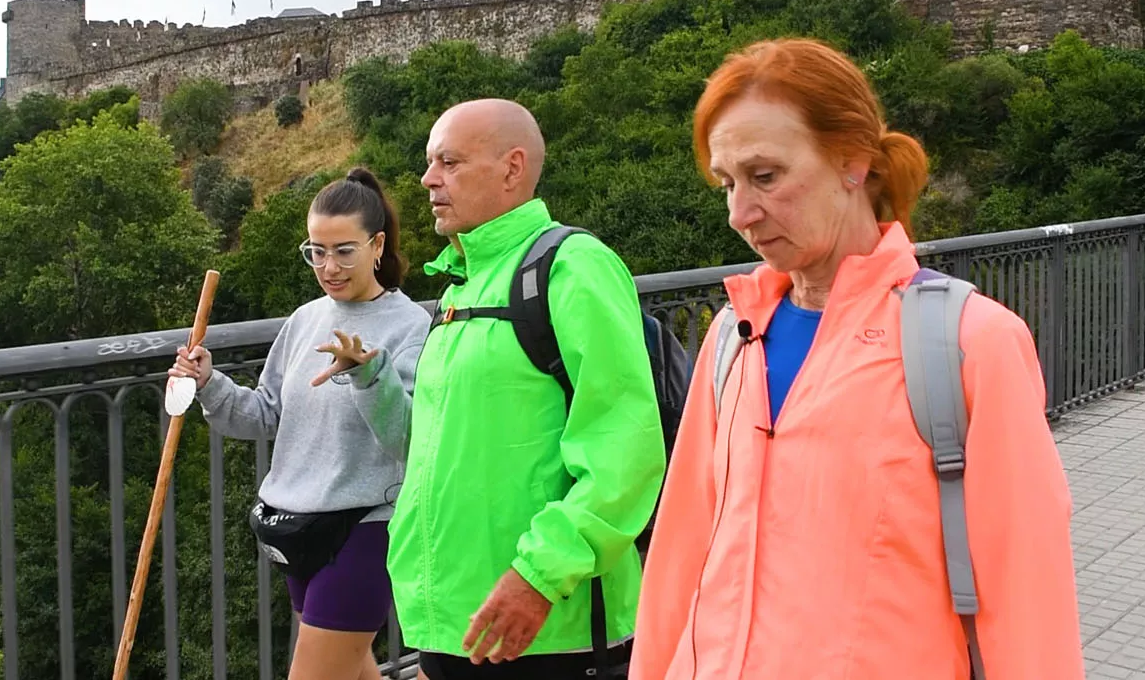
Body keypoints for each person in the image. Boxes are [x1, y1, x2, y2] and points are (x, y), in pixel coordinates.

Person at [629, 38, 1084, 679]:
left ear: (853, 161)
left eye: (765, 176)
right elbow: (681, 557)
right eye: (727, 183)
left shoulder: (968, 342)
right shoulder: (733, 336)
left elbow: (1027, 597)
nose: (739, 213)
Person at [386, 98, 667, 679]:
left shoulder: (572, 266)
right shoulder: (462, 283)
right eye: (429, 162)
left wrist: (539, 576)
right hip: (456, 623)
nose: (428, 179)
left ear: (513, 168)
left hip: (548, 632)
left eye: (450, 162)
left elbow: (625, 450)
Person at [169, 167, 429, 680]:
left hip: (365, 530)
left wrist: (368, 373)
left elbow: (411, 439)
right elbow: (264, 414)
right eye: (316, 251)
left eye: (343, 250)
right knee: (352, 671)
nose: (328, 266)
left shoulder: (410, 327)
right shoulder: (304, 320)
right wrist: (209, 383)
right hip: (296, 529)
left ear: (377, 245)